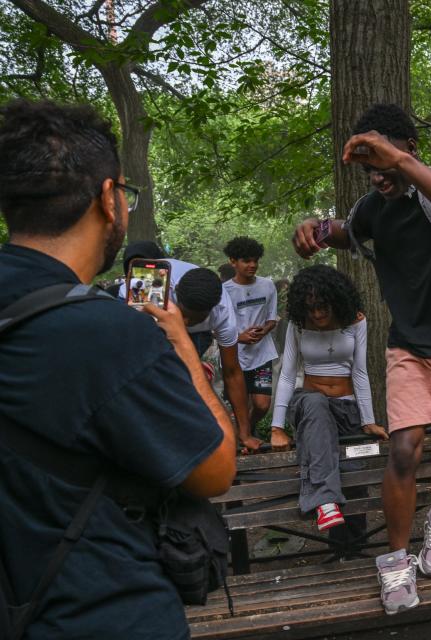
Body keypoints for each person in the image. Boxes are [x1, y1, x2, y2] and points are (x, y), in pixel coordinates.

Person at [0, 99, 235, 638]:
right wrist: (182, 351)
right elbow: (216, 468)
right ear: (109, 199)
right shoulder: (106, 332)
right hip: (100, 608)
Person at [291, 103, 431, 615]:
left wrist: (400, 164)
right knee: (404, 449)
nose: (377, 175)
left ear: (410, 150)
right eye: (369, 167)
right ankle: (396, 562)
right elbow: (341, 230)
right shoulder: (372, 209)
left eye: (384, 161)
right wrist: (313, 227)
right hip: (410, 347)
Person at [272, 265, 388, 530]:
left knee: (353, 479)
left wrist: (368, 420)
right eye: (310, 307)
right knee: (316, 402)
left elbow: (360, 372)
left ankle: (350, 551)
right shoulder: (298, 326)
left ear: (336, 300)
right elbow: (288, 375)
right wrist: (277, 427)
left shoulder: (356, 322)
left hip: (346, 408)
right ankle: (324, 502)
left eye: (323, 306)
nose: (317, 313)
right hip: (309, 405)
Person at [119, 248, 262, 453]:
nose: (185, 322)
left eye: (192, 319)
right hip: (148, 320)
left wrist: (245, 432)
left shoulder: (222, 312)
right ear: (174, 295)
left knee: (191, 383)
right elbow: (139, 350)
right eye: (183, 314)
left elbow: (231, 372)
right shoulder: (151, 284)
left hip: (198, 335)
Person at [222, 236, 280, 434]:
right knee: (238, 405)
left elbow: (272, 319)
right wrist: (239, 338)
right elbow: (216, 327)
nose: (253, 265)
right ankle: (242, 439)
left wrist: (265, 331)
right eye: (246, 260)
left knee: (262, 405)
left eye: (255, 260)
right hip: (233, 355)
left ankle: (247, 429)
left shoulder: (267, 285)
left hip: (262, 354)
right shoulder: (225, 291)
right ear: (233, 261)